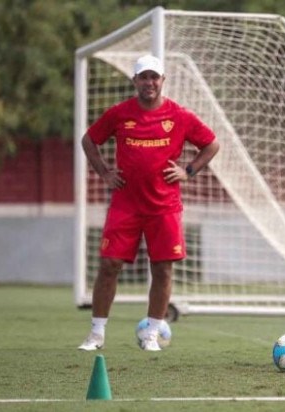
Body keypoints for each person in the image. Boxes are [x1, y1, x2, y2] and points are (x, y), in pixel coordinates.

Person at [78, 55, 220, 351]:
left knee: (163, 269)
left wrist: (188, 170)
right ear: (135, 81)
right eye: (144, 77)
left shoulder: (179, 116)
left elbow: (211, 144)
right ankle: (96, 334)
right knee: (109, 265)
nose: (149, 82)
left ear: (163, 80)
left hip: (164, 207)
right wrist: (104, 172)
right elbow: (89, 140)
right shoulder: (119, 113)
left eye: (154, 77)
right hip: (125, 205)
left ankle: (152, 333)